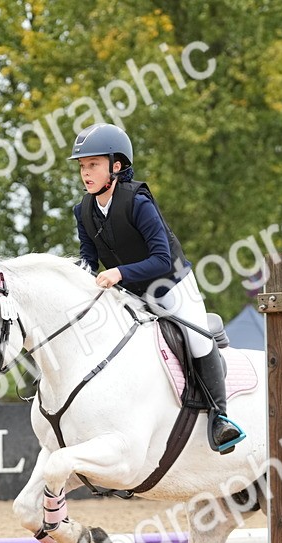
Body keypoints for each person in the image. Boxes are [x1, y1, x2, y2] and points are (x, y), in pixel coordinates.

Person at [68, 122, 244, 453]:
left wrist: (118, 272)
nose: (85, 173)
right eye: (82, 166)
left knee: (196, 338)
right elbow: (88, 258)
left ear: (116, 166)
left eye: (93, 164)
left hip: (171, 283)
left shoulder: (137, 201)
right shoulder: (84, 211)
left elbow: (162, 259)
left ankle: (221, 418)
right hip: (131, 292)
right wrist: (79, 274)